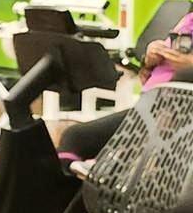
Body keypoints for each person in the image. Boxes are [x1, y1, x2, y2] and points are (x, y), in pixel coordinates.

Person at [58, 8, 193, 161]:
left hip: (174, 115)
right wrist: (151, 60)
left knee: (76, 139)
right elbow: (150, 75)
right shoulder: (188, 21)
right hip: (151, 108)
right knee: (74, 138)